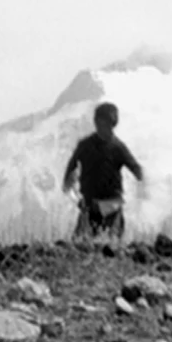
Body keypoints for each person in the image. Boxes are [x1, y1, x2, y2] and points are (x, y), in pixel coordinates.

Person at [62, 101, 144, 240]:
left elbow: (137, 171)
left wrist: (140, 189)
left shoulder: (118, 148)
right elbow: (69, 175)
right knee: (79, 246)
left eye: (109, 125)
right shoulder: (85, 146)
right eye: (103, 124)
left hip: (112, 207)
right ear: (96, 122)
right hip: (90, 206)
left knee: (111, 248)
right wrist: (76, 198)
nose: (106, 129)